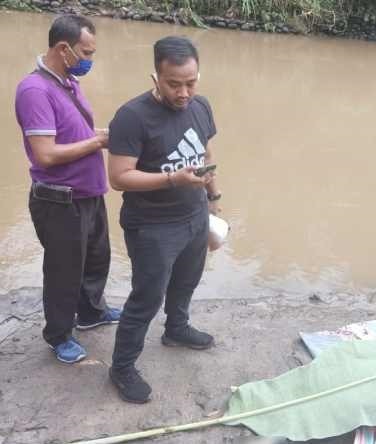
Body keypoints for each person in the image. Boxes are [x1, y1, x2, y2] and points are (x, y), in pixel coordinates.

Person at [107, 36, 221, 403]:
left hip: (195, 215)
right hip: (153, 226)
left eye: (190, 83)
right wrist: (172, 178)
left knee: (186, 281)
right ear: (155, 77)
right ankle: (122, 367)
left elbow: (205, 153)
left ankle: (177, 329)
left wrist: (213, 198)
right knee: (147, 297)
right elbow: (119, 177)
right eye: (174, 84)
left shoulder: (201, 106)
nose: (184, 93)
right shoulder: (132, 117)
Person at [14, 15, 121, 364]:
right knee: (64, 271)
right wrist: (98, 143)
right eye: (86, 52)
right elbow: (45, 155)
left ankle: (90, 313)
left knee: (97, 257)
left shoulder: (68, 82)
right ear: (64, 49)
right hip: (60, 200)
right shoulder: (34, 90)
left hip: (88, 193)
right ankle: (58, 335)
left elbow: (77, 132)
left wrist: (107, 134)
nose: (89, 59)